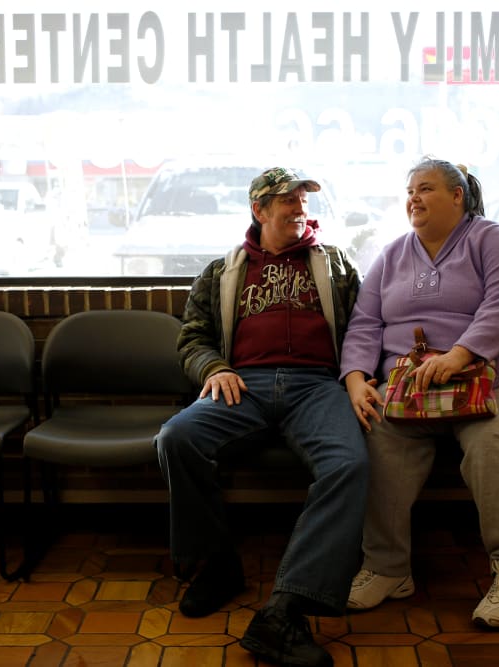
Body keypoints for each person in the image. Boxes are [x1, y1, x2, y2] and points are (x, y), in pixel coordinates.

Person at [155, 166, 368, 667]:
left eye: (303, 200)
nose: (300, 208)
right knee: (176, 437)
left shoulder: (335, 265)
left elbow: (364, 327)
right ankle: (217, 564)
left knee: (349, 465)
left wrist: (362, 375)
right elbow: (192, 338)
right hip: (242, 385)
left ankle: (287, 607)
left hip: (317, 386)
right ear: (259, 210)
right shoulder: (221, 271)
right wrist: (214, 367)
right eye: (288, 201)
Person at [339, 157, 499, 629]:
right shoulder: (391, 255)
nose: (414, 197)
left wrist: (461, 354)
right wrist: (356, 377)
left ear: (457, 195)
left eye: (426, 188)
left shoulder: (491, 240)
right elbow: (366, 323)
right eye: (410, 190)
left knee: (490, 445)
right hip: (415, 389)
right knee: (378, 436)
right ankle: (388, 569)